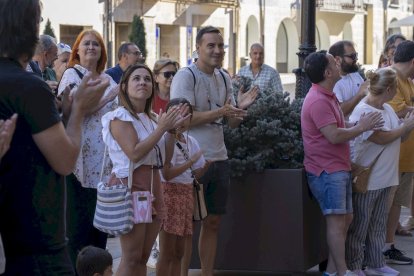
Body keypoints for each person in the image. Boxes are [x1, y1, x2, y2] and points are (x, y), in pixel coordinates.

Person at [0, 0, 110, 274]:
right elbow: (64, 159)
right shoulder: (28, 86)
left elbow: (30, 143)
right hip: (39, 247)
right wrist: (80, 109)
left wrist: (66, 114)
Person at [171, 26, 258, 276]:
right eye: (211, 45)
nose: (217, 50)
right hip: (191, 161)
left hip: (220, 157)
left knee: (213, 222)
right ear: (197, 48)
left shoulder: (223, 77)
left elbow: (229, 123)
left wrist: (240, 109)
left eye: (220, 46)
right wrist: (221, 111)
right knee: (186, 226)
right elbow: (182, 119)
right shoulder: (185, 76)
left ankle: (207, 273)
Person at [301, 50, 383, 276]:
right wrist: (361, 127)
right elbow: (333, 135)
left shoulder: (327, 95)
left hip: (337, 168)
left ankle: (334, 271)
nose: (338, 64)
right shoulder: (318, 99)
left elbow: (339, 124)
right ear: (328, 73)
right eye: (333, 62)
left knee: (346, 219)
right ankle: (343, 272)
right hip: (327, 171)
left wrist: (358, 123)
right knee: (337, 222)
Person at [101, 63, 187, 275]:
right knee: (131, 258)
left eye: (147, 79)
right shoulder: (119, 116)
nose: (143, 83)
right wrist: (161, 129)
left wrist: (172, 132)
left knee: (142, 257)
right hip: (132, 186)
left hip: (153, 185)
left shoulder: (153, 118)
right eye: (136, 79)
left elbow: (162, 157)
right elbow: (135, 153)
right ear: (124, 87)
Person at [57, 29, 119, 267]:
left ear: (102, 51)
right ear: (78, 50)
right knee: (79, 231)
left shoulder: (108, 78)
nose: (92, 47)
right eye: (87, 44)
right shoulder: (72, 75)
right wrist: (106, 96)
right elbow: (74, 112)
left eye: (96, 44)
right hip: (79, 161)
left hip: (104, 164)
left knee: (100, 229)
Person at [346, 68, 414, 276]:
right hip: (369, 178)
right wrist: (405, 127)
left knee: (377, 224)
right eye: (396, 88)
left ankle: (376, 262)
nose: (397, 93)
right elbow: (380, 137)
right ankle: (355, 266)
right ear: (390, 88)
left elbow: (398, 137)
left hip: (386, 177)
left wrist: (407, 125)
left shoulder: (387, 109)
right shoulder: (363, 110)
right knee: (360, 226)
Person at [156, 98, 210, 276]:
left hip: (186, 195)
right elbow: (167, 174)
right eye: (177, 114)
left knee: (180, 251)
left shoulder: (191, 140)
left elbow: (196, 172)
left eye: (187, 115)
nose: (182, 118)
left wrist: (204, 166)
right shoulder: (165, 139)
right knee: (167, 252)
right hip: (169, 195)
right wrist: (191, 163)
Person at [382, 40, 414, 265]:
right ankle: (380, 249)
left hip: (406, 158)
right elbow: (399, 111)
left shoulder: (406, 81)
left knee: (396, 205)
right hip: (393, 156)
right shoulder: (391, 77)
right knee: (385, 205)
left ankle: (388, 246)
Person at [328, 40, 368, 118]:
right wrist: (359, 94)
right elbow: (340, 111)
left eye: (356, 55)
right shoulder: (333, 82)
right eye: (352, 56)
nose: (356, 59)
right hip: (349, 128)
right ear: (338, 60)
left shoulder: (354, 74)